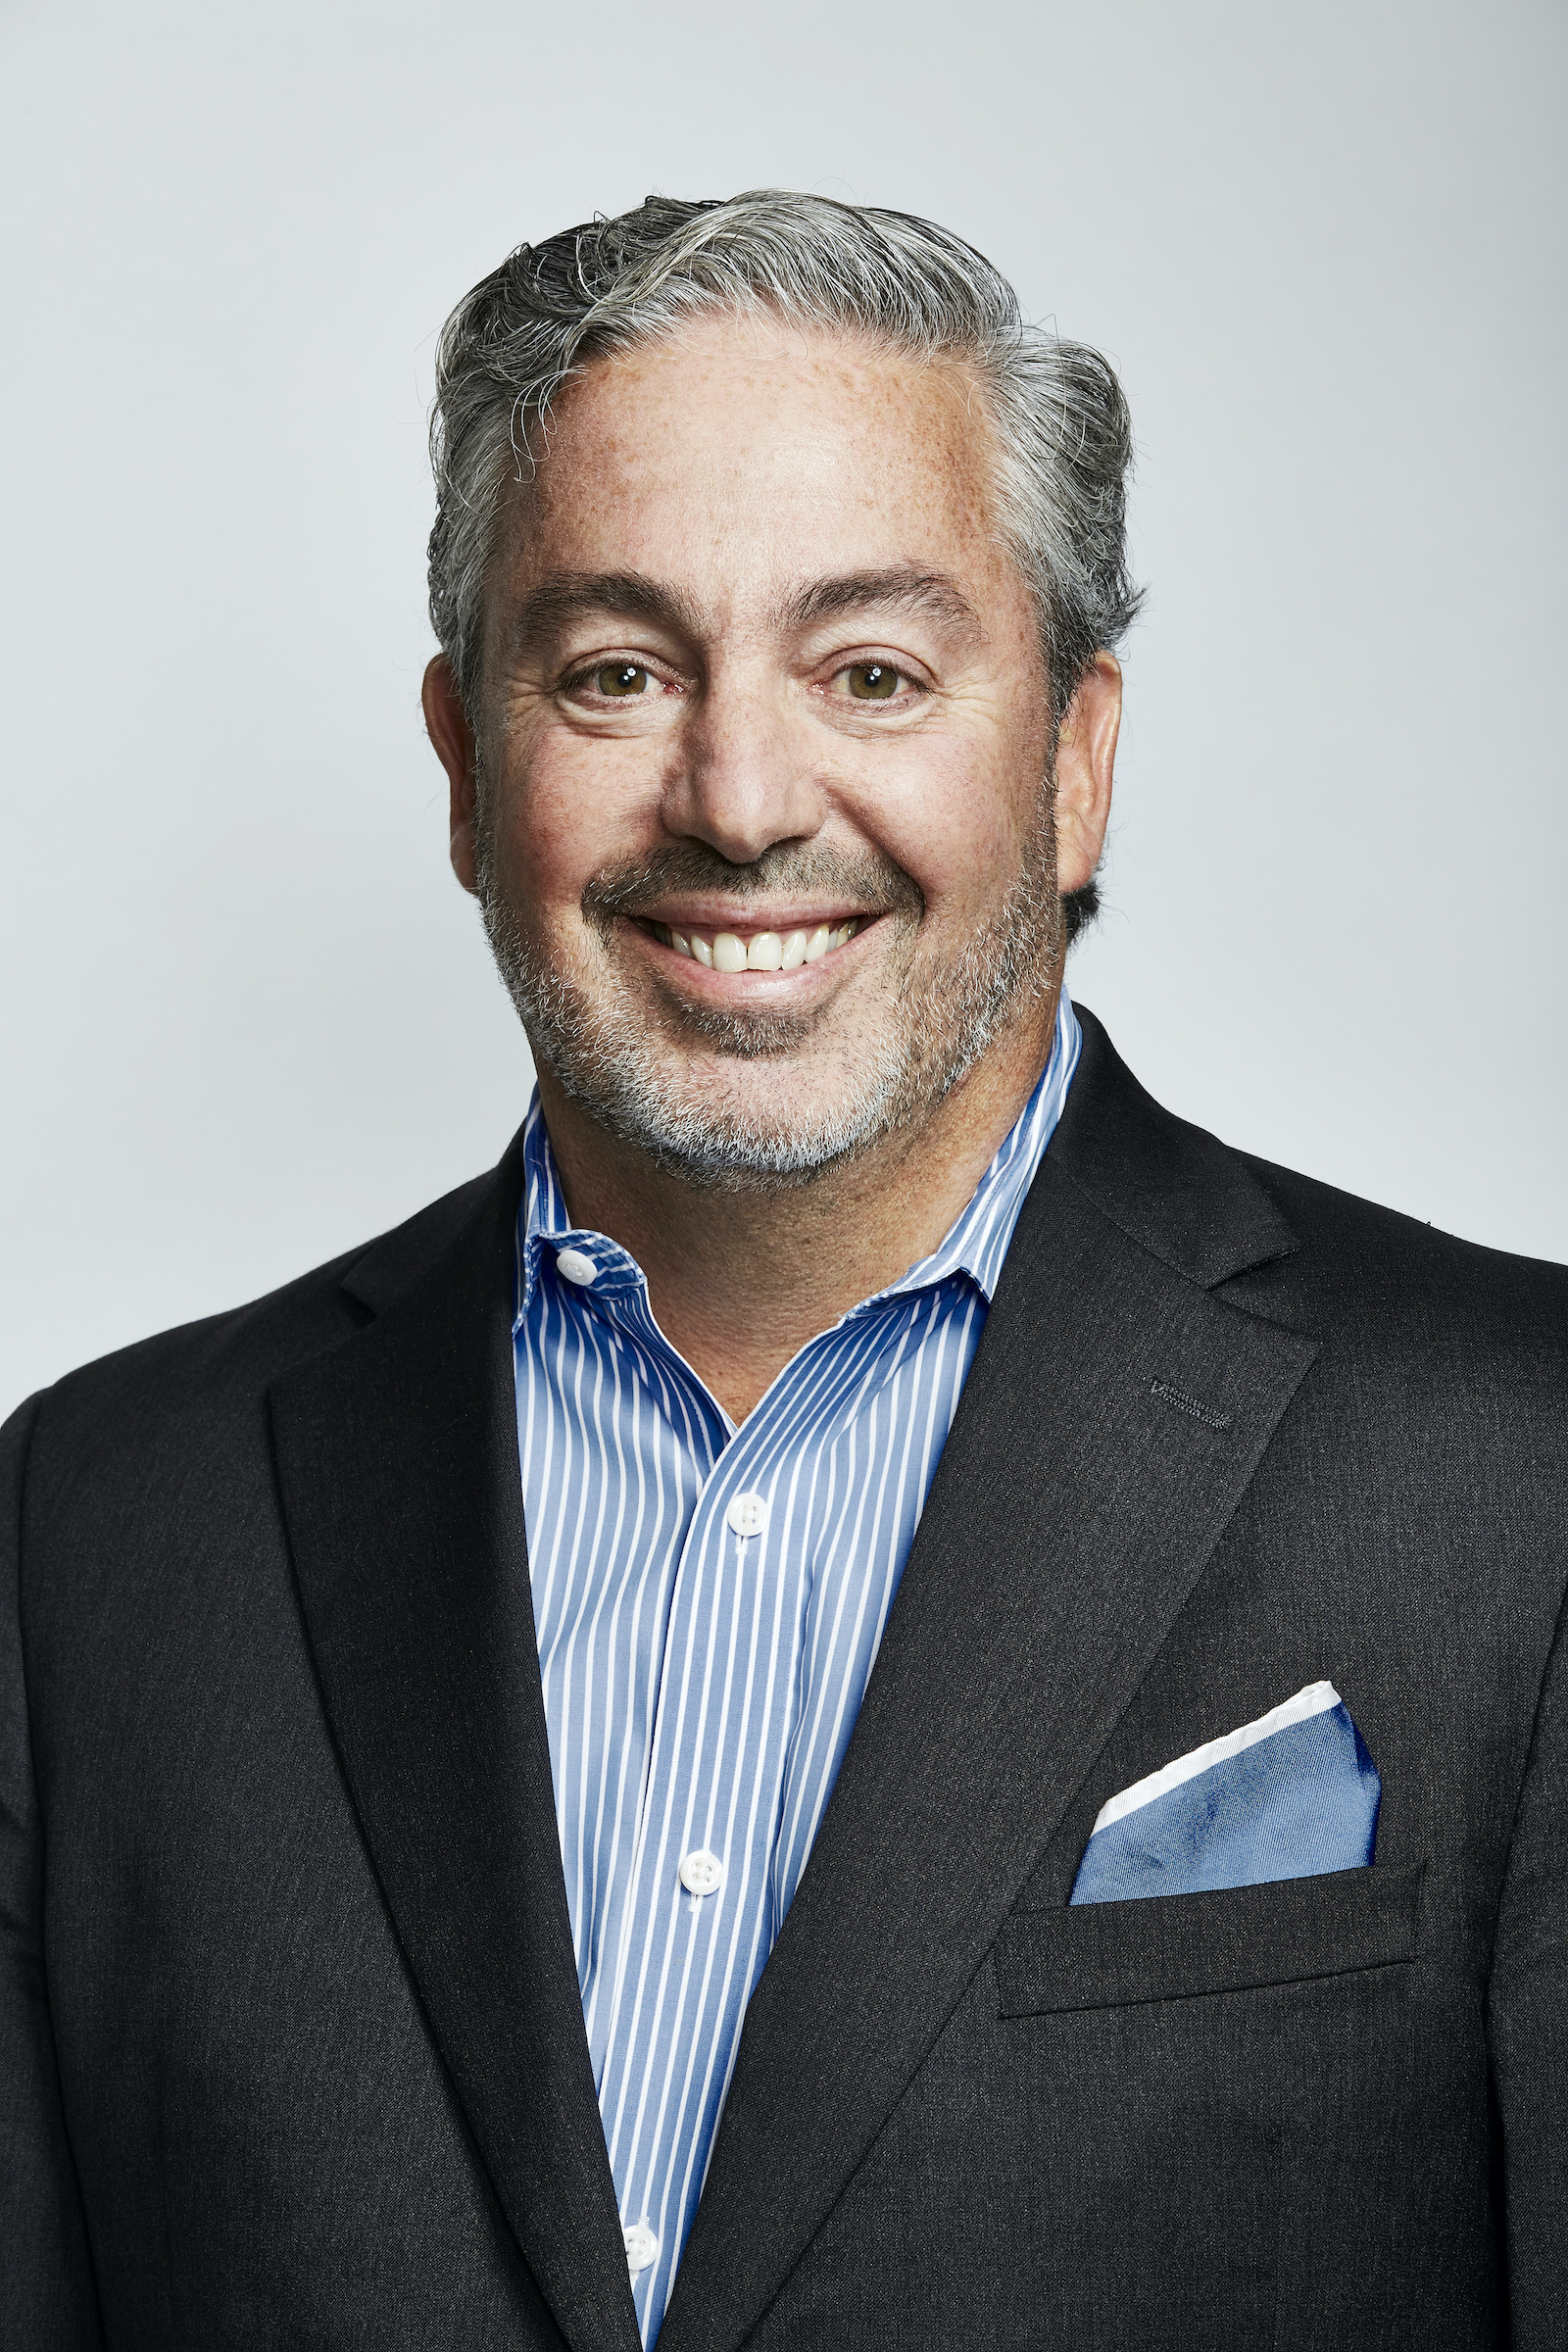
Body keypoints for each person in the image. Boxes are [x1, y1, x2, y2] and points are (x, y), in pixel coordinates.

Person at [3, 190, 1564, 2352]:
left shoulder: (1519, 1474)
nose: (739, 801)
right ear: (466, 770)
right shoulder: (89, 1534)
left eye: (872, 674)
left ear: (1074, 759)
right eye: (617, 674)